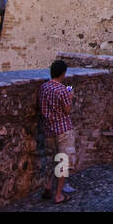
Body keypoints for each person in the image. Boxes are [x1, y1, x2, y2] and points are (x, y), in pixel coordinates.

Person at [38, 59, 76, 204]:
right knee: (62, 162)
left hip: (48, 129)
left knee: (51, 159)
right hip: (63, 130)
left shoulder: (43, 88)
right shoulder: (62, 90)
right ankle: (58, 195)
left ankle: (48, 186)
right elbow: (67, 110)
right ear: (63, 73)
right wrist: (70, 97)